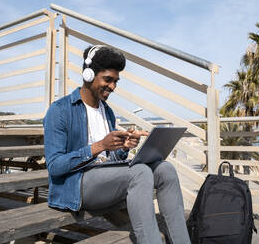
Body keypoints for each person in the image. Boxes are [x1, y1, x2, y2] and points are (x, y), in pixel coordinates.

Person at [43, 45, 191, 244]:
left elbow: (109, 160)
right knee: (140, 173)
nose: (113, 86)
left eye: (115, 81)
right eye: (108, 80)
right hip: (77, 185)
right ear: (88, 75)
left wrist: (123, 147)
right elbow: (54, 166)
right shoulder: (60, 110)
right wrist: (99, 146)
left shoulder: (107, 111)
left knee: (165, 169)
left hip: (104, 180)